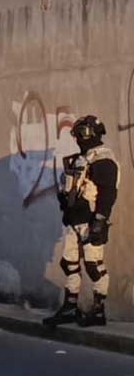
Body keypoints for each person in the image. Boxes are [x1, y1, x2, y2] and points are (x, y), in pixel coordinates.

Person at [44, 115, 120, 328]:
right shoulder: (80, 158)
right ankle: (70, 306)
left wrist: (100, 220)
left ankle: (98, 309)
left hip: (91, 220)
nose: (79, 137)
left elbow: (108, 194)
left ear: (93, 133)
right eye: (77, 133)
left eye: (82, 133)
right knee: (69, 263)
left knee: (93, 265)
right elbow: (70, 189)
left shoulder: (103, 159)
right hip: (74, 220)